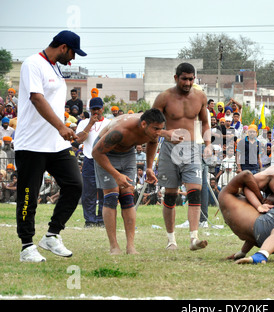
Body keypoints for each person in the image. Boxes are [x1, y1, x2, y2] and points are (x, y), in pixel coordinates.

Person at [15, 30, 86, 263]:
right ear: (64, 47)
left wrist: (64, 127)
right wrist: (60, 127)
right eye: (73, 53)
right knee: (29, 195)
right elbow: (37, 98)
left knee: (75, 185)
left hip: (55, 144)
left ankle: (52, 235)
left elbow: (53, 103)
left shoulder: (55, 67)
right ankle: (27, 247)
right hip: (32, 144)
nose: (73, 60)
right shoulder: (32, 64)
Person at [151, 62, 211, 251]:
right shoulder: (163, 98)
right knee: (170, 196)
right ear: (176, 77)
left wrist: (208, 144)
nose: (188, 82)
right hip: (170, 149)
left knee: (195, 191)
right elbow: (149, 127)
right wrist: (167, 133)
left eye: (191, 79)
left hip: (192, 149)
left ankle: (194, 238)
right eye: (184, 78)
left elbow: (205, 124)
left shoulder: (200, 96)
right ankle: (171, 240)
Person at [92, 109, 165, 254]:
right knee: (111, 197)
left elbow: (153, 143)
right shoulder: (121, 130)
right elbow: (96, 152)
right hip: (105, 153)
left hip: (127, 153)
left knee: (127, 197)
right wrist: (116, 174)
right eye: (156, 129)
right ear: (144, 124)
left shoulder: (152, 130)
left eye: (161, 129)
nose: (158, 132)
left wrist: (149, 168)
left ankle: (130, 246)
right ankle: (114, 246)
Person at [76, 97, 110, 228]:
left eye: (98, 109)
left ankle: (102, 219)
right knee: (88, 192)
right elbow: (79, 140)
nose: (96, 111)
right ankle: (90, 220)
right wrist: (90, 124)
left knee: (104, 191)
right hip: (89, 160)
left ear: (102, 109)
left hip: (104, 160)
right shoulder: (83, 123)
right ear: (89, 110)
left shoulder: (108, 123)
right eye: (93, 109)